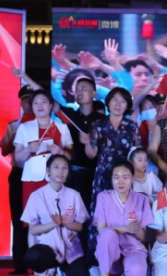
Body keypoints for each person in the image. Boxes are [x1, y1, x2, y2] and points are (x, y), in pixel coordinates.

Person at [21, 154, 90, 276]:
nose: (60, 171)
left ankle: (63, 273)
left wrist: (65, 222)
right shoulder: (37, 196)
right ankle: (49, 271)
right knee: (33, 256)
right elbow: (33, 230)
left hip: (71, 249)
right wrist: (54, 223)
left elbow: (80, 226)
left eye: (64, 168)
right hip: (48, 249)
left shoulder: (74, 195)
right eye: (56, 167)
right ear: (48, 171)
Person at [85, 87, 140, 253]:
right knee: (101, 212)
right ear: (108, 102)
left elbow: (137, 153)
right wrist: (87, 142)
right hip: (103, 174)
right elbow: (91, 154)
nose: (118, 104)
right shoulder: (98, 124)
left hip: (124, 177)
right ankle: (98, 255)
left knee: (124, 211)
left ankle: (125, 253)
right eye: (115, 100)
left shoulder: (131, 126)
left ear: (127, 105)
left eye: (122, 101)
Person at [92, 159, 154, 276]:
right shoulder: (103, 197)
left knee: (138, 274)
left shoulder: (141, 199)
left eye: (125, 177)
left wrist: (136, 229)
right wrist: (126, 228)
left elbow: (143, 236)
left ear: (132, 178)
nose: (121, 182)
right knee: (107, 234)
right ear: (111, 179)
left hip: (132, 248)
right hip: (111, 253)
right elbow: (101, 229)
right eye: (116, 177)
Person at [14, 90, 74, 216]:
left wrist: (60, 151)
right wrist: (28, 149)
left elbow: (70, 156)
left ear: (51, 105)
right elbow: (17, 157)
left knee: (55, 217)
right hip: (32, 180)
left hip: (56, 180)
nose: (39, 106)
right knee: (33, 218)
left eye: (44, 102)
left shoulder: (62, 127)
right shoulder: (24, 127)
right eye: (35, 103)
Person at [0, 85, 34, 276]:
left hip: (38, 175)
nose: (28, 104)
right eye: (25, 100)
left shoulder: (45, 124)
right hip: (19, 173)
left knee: (37, 218)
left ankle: (39, 261)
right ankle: (19, 263)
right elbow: (3, 151)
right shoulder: (14, 125)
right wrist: (12, 139)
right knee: (18, 217)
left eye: (32, 100)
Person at [61, 75, 105, 212]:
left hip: (97, 175)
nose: (79, 92)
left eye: (84, 89)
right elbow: (49, 101)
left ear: (93, 93)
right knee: (72, 213)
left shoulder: (103, 120)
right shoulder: (71, 115)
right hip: (73, 174)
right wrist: (24, 76)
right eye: (77, 89)